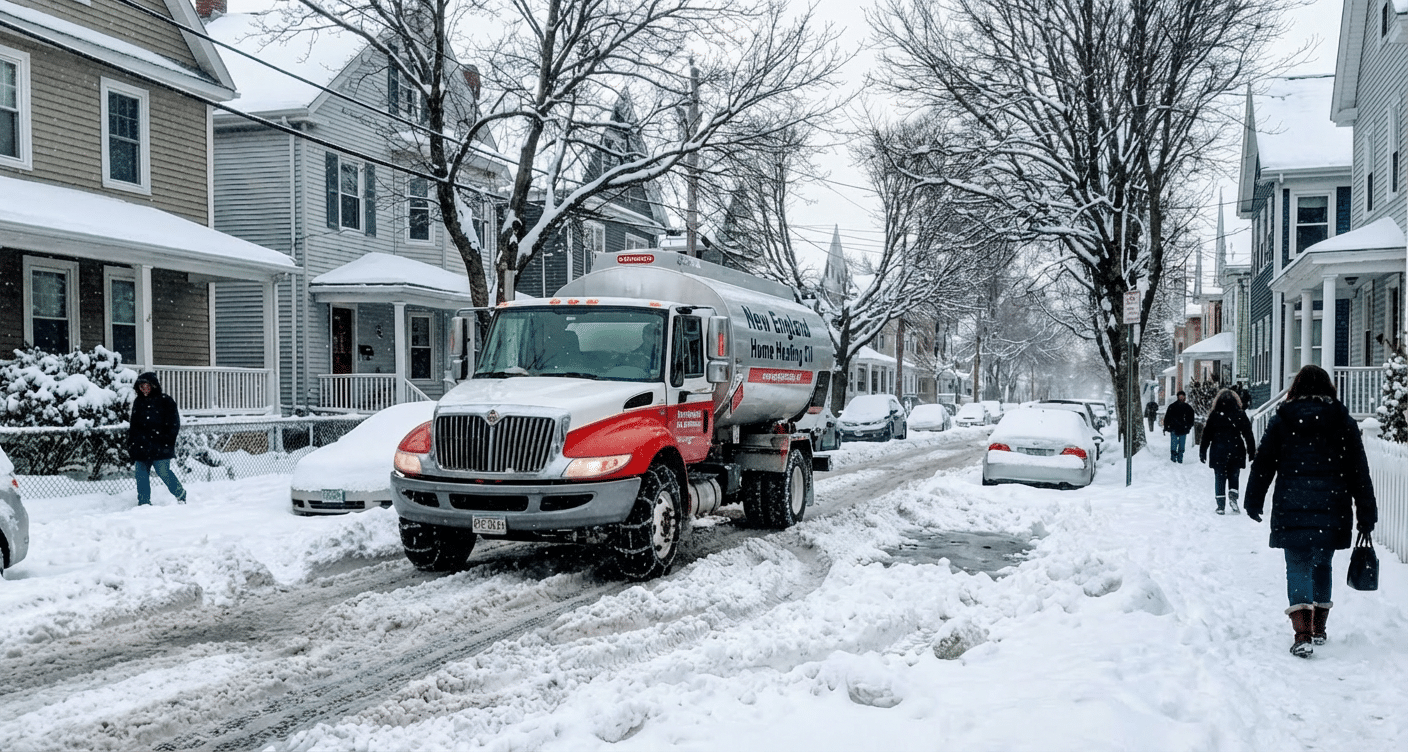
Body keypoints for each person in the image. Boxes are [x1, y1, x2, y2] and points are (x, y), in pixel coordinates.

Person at [1244, 365, 1376, 658]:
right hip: (1332, 505)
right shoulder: (1342, 421)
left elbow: (1264, 463)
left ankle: (1302, 633)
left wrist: (1253, 499)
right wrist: (1367, 512)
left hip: (1292, 505)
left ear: (1296, 389)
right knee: (1321, 565)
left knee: (1298, 565)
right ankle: (1318, 629)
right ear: (1329, 388)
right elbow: (1358, 471)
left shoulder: (1283, 419)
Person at [128, 372, 187, 506]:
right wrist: (132, 444)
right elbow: (134, 425)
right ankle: (144, 503)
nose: (143, 389)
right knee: (141, 474)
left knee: (163, 471)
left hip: (161, 446)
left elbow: (174, 424)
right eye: (141, 387)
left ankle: (180, 494)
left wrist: (166, 440)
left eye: (146, 386)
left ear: (153, 386)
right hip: (142, 446)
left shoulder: (166, 401)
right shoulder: (138, 402)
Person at [1198, 389, 1256, 515]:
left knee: (1219, 476)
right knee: (1234, 474)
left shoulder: (1214, 415)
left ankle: (1220, 505)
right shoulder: (1240, 414)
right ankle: (1233, 496)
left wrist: (1203, 451)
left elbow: (1207, 434)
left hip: (1218, 449)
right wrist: (1251, 451)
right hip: (1236, 448)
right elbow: (1248, 434)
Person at [1163, 390, 1195, 463]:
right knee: (1174, 444)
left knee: (1181, 445)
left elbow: (1191, 419)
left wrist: (1188, 426)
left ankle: (1180, 458)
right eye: (1180, 396)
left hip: (1183, 429)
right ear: (1178, 397)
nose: (1181, 397)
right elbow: (1167, 417)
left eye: (1182, 396)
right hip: (1174, 428)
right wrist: (1166, 426)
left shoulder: (1188, 408)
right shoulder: (1172, 406)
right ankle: (1173, 458)